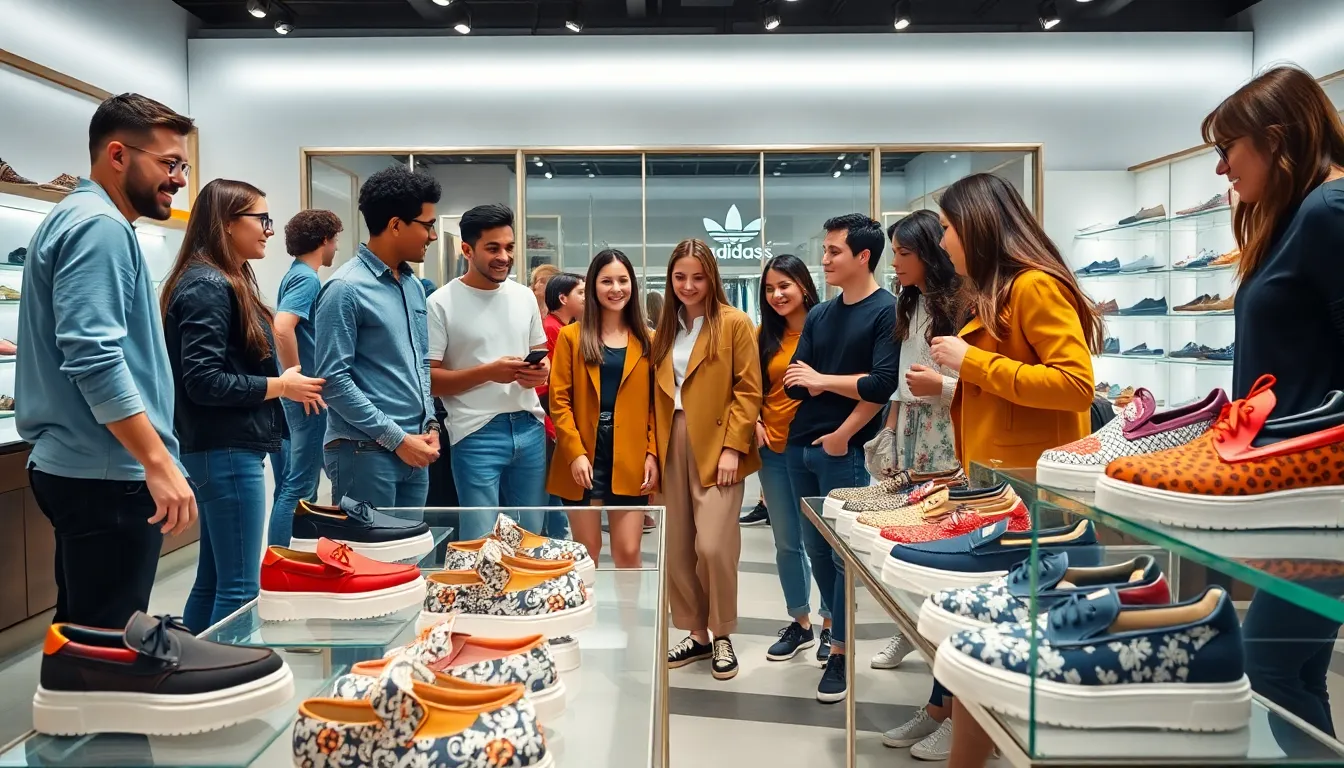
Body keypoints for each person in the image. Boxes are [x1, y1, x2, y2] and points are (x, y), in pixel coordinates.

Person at [930, 173, 1099, 767]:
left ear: (976, 225)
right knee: (990, 650)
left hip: (1038, 505)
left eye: (949, 228)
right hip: (1003, 494)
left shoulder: (1032, 288)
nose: (944, 241)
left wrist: (971, 361)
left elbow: (1076, 385)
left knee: (1007, 649)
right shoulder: (998, 291)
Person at [15, 93, 197, 628]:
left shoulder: (76, 216)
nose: (179, 178)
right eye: (168, 164)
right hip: (107, 472)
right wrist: (156, 460)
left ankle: (69, 710)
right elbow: (94, 355)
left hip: (88, 467)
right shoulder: (100, 227)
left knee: (81, 637)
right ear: (117, 155)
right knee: (108, 644)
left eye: (182, 165)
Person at [1202, 66, 1344, 743]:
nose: (1223, 166)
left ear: (1278, 139)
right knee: (1291, 669)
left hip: (1321, 487)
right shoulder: (1298, 218)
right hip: (1298, 484)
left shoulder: (1328, 210)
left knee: (1272, 667)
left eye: (1231, 147)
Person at [161, 180, 326, 632]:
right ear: (227, 223)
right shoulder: (209, 285)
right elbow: (203, 381)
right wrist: (279, 385)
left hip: (223, 448)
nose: (270, 230)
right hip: (226, 449)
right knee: (238, 589)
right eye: (262, 219)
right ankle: (225, 687)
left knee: (214, 580)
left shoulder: (216, 279)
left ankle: (195, 672)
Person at [782, 213, 901, 702]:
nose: (825, 259)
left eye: (834, 251)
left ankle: (841, 654)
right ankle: (832, 631)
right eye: (826, 250)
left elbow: (880, 384)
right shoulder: (820, 314)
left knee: (840, 554)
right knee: (815, 552)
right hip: (800, 446)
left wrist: (838, 423)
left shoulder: (886, 312)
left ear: (863, 256)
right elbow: (796, 374)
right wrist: (822, 384)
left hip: (843, 448)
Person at [872, 210, 967, 760]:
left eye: (903, 253)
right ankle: (929, 668)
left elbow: (972, 382)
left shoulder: (961, 302)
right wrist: (888, 433)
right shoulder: (909, 302)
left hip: (948, 434)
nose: (896, 263)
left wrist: (945, 385)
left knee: (945, 556)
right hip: (910, 428)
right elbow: (905, 379)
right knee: (914, 549)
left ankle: (949, 707)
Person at [654, 239, 762, 681]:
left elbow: (749, 389)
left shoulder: (735, 323)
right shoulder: (665, 328)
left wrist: (734, 447)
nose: (689, 285)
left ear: (712, 277)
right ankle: (697, 635)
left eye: (698, 277)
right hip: (668, 441)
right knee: (677, 549)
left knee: (713, 546)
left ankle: (722, 634)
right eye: (680, 277)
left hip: (717, 442)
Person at [316, 167, 441, 508]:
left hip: (416, 448)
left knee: (408, 558)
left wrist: (430, 421)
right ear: (396, 225)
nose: (432, 235)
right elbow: (333, 381)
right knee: (367, 559)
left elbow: (419, 364)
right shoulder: (345, 289)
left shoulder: (413, 286)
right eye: (427, 225)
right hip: (365, 450)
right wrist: (397, 439)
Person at [428, 204, 548, 540]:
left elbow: (543, 356)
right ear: (467, 249)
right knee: (479, 539)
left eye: (509, 247)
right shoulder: (440, 302)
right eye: (493, 248)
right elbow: (431, 379)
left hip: (529, 426)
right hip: (475, 431)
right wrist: (489, 372)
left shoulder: (524, 297)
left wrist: (540, 373)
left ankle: (525, 595)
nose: (504, 257)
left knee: (530, 537)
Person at [548, 249, 658, 567]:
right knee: (587, 551)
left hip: (630, 453)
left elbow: (655, 406)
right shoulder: (572, 337)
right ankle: (589, 617)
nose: (616, 288)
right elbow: (560, 401)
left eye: (623, 280)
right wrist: (574, 452)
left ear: (632, 285)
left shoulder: (648, 340)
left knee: (628, 551)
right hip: (583, 451)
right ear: (593, 286)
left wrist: (651, 453)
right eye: (606, 281)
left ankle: (629, 618)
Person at [752, 254, 824, 661]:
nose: (777, 294)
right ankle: (801, 622)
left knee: (825, 544)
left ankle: (833, 626)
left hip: (816, 448)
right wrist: (755, 421)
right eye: (770, 288)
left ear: (803, 285)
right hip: (774, 451)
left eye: (785, 286)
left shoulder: (824, 325)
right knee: (786, 543)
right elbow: (749, 387)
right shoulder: (766, 335)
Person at [268, 209, 342, 548]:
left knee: (303, 483)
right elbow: (282, 327)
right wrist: (297, 380)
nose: (336, 248)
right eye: (335, 240)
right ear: (324, 240)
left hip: (305, 392)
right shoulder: (307, 278)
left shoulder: (297, 273)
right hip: (306, 394)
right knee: (299, 485)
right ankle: (282, 562)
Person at [538, 272, 585, 540]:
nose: (586, 298)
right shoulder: (553, 329)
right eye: (580, 293)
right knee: (554, 491)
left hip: (555, 421)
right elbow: (550, 387)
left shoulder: (566, 328)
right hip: (551, 422)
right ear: (563, 298)